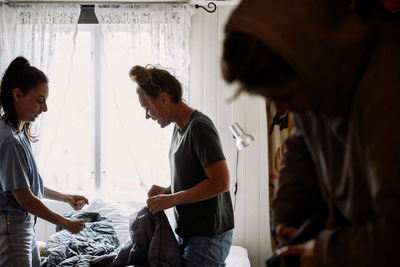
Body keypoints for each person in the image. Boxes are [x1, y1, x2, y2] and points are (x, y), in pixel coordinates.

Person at [221, 0, 400, 266]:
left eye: (286, 95)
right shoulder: (320, 87)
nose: (282, 108)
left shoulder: (386, 91)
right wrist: (285, 218)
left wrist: (325, 252)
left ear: (315, 63)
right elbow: (300, 153)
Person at [129, 65, 234, 267]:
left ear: (163, 98)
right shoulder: (179, 130)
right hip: (191, 232)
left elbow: (221, 182)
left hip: (208, 234)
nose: (147, 115)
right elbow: (196, 176)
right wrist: (167, 190)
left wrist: (173, 199)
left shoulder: (199, 127)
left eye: (147, 108)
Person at [0, 57, 89, 267]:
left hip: (23, 224)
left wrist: (65, 197)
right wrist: (64, 222)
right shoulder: (8, 141)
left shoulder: (19, 133)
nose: (45, 108)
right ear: (17, 95)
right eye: (40, 100)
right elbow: (25, 199)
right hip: (12, 226)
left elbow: (28, 186)